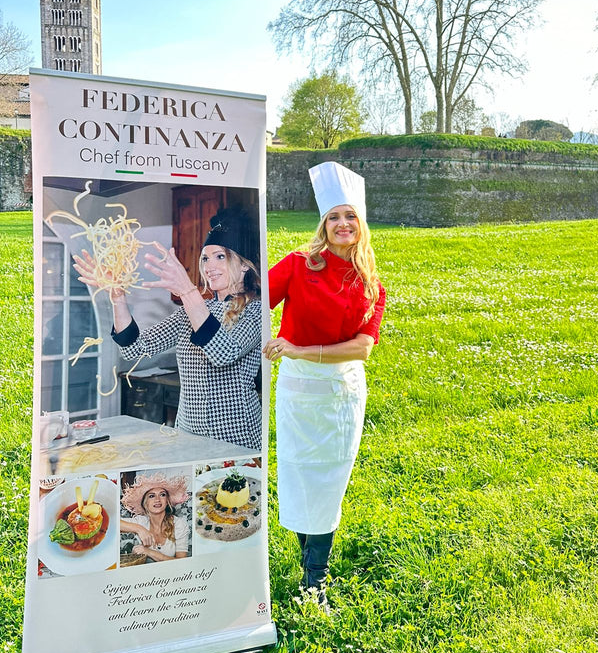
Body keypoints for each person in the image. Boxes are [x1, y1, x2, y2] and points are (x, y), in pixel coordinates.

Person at [264, 162, 386, 611]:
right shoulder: (299, 265)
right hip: (300, 390)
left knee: (330, 481)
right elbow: (256, 299)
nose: (342, 224)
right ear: (323, 224)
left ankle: (316, 579)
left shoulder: (371, 283)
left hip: (342, 391)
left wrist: (298, 349)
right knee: (299, 476)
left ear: (361, 225)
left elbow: (361, 348)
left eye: (350, 217)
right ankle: (307, 562)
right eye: (334, 217)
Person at [73, 205, 262, 450]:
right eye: (205, 257)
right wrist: (117, 296)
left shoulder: (256, 311)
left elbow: (222, 353)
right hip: (188, 434)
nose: (209, 266)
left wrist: (187, 291)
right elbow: (135, 349)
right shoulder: (189, 312)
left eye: (220, 256)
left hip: (237, 436)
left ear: (244, 264)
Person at [120, 471, 190, 562]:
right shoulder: (141, 522)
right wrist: (139, 529)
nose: (157, 500)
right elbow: (114, 523)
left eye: (162, 495)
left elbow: (182, 562)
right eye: (152, 496)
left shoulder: (179, 524)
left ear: (167, 501)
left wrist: (149, 552)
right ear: (145, 504)